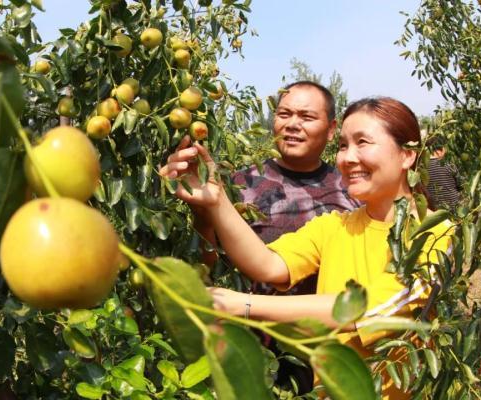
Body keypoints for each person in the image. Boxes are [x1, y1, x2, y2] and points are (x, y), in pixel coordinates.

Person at [160, 97, 453, 399]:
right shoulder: (336, 225)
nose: (348, 158)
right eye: (342, 146)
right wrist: (216, 199)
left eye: (363, 142)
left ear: (407, 155)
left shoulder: (436, 235)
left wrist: (244, 306)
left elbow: (364, 310)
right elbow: (269, 265)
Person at [192, 81, 359, 392]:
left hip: (327, 362)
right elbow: (206, 267)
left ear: (332, 129)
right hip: (251, 357)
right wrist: (203, 219)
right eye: (284, 113)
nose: (292, 124)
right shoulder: (238, 185)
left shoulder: (352, 191)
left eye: (307, 117)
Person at [425, 136, 462, 210]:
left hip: (432, 210)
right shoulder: (449, 165)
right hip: (452, 209)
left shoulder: (422, 168)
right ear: (439, 151)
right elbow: (460, 185)